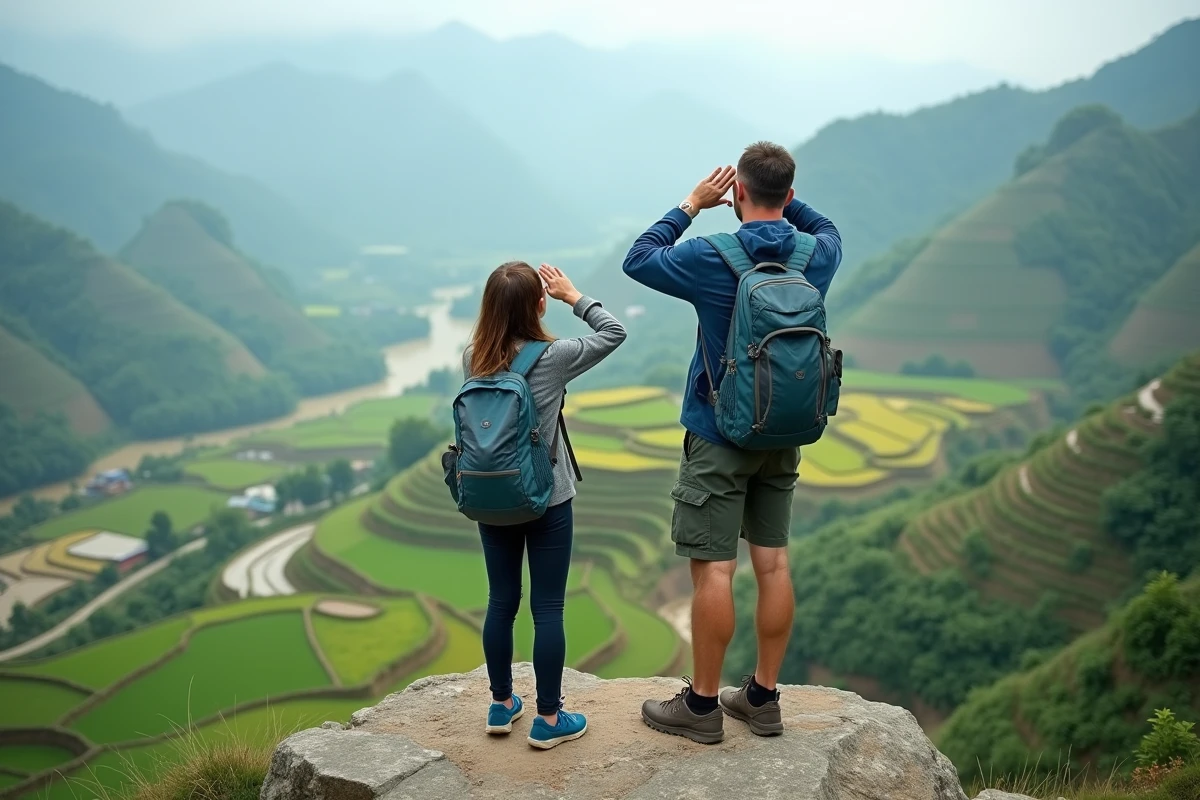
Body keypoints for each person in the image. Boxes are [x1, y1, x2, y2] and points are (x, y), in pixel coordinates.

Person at [622, 142, 842, 743]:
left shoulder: (708, 256)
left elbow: (639, 260)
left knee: (714, 571)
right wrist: (784, 205)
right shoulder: (813, 256)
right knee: (772, 562)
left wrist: (692, 204)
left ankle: (700, 709)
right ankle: (763, 698)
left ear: (736, 192)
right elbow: (826, 228)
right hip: (785, 432)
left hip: (719, 437)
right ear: (789, 197)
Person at [461, 260, 626, 749]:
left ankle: (500, 703)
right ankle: (549, 720)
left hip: (491, 496)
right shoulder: (553, 357)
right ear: (538, 305)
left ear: (488, 308)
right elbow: (613, 332)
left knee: (500, 601)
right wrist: (572, 296)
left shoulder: (473, 358)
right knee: (547, 606)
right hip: (548, 498)